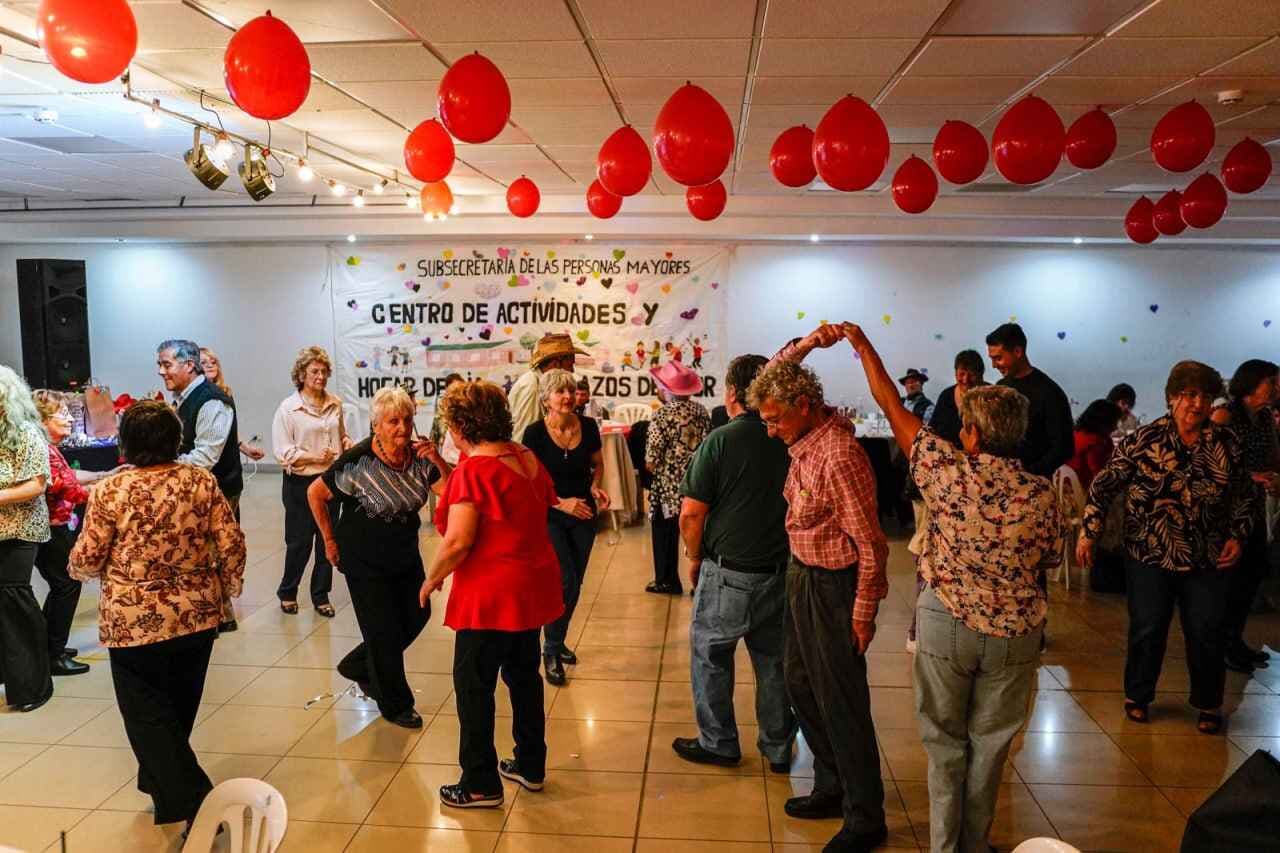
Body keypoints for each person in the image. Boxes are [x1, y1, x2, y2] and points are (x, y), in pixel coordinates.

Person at [845, 322, 1063, 853]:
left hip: (947, 623)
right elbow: (1049, 561)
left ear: (970, 433)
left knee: (945, 747)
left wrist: (862, 344)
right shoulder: (1042, 495)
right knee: (990, 750)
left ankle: (945, 847)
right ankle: (973, 843)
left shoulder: (945, 473)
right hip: (1016, 634)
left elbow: (889, 402)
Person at [68, 400, 245, 829]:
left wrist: (78, 570)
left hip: (134, 623)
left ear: (126, 444)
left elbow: (88, 557)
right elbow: (232, 544)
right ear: (175, 439)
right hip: (196, 616)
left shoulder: (113, 490)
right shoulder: (200, 481)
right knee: (177, 710)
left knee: (148, 717)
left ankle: (198, 804)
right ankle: (165, 792)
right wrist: (226, 590)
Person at [748, 324, 889, 853]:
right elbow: (770, 380)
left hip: (835, 586)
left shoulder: (838, 456)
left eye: (775, 420)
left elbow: (872, 544)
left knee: (841, 698)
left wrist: (864, 612)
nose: (769, 430)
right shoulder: (801, 432)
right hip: (802, 575)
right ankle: (830, 785)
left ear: (805, 405)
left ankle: (864, 814)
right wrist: (809, 342)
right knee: (800, 684)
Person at [1077, 361, 1254, 735]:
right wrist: (1088, 532)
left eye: (1205, 396)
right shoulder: (1145, 440)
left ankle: (1208, 702)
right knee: (1148, 626)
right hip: (1149, 551)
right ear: (1172, 398)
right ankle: (1138, 695)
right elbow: (1104, 485)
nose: (1197, 404)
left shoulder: (1226, 444)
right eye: (1189, 395)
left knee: (1207, 629)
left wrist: (1238, 534)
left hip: (1207, 554)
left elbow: (1245, 496)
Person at [420, 380, 564, 809]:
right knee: (523, 677)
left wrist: (431, 578)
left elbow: (459, 541)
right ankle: (530, 764)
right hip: (530, 587)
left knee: (474, 685)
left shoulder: (474, 471)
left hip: (490, 594)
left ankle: (480, 783)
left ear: (461, 425)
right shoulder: (526, 457)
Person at [671, 354, 796, 773]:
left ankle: (719, 742)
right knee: (773, 664)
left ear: (731, 393)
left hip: (728, 572)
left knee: (711, 656)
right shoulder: (790, 436)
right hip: (781, 569)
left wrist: (693, 557)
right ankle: (778, 747)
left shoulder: (722, 439)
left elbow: (691, 512)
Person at [308, 386, 447, 729]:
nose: (402, 428)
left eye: (408, 420)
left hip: (403, 552)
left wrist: (439, 460)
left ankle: (359, 665)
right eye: (393, 421)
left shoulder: (419, 458)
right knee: (382, 631)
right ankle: (396, 703)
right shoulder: (358, 461)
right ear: (377, 425)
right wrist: (328, 541)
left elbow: (456, 489)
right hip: (362, 556)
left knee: (418, 612)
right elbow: (316, 493)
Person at [520, 369, 609, 686]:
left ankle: (556, 640)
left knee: (576, 583)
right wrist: (561, 503)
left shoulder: (587, 426)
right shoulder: (534, 434)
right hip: (550, 515)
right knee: (565, 581)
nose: (569, 396)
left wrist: (596, 487)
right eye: (560, 392)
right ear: (546, 399)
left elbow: (598, 463)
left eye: (571, 390)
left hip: (584, 512)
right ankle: (551, 650)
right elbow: (529, 482)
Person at [156, 339, 244, 633]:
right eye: (160, 365)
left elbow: (205, 456)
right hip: (197, 491)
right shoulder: (184, 398)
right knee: (203, 554)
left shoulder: (211, 400)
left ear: (189, 365)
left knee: (212, 554)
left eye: (166, 364)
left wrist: (161, 469)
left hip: (218, 490)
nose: (161, 371)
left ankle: (217, 618)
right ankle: (219, 616)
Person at [271, 346, 352, 618]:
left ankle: (321, 595)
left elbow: (342, 436)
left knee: (327, 540)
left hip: (330, 481)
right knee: (299, 542)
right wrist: (314, 456)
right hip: (300, 485)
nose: (320, 376)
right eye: (314, 371)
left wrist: (347, 444)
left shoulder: (335, 403)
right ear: (302, 375)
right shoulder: (288, 408)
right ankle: (288, 591)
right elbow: (283, 452)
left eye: (324, 371)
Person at [1210, 359, 1280, 674]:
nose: (1276, 389)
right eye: (1272, 382)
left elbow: (1273, 458)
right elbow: (1214, 463)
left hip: (1254, 505)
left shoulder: (1264, 418)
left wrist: (1274, 477)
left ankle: (1235, 640)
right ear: (1252, 383)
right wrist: (1253, 477)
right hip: (1228, 509)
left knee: (1251, 574)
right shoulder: (1226, 414)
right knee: (1232, 579)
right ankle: (1222, 644)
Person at [31, 390, 96, 676]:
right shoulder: (43, 450)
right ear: (43, 419)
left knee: (63, 585)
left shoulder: (48, 448)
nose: (70, 419)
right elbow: (70, 490)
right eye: (63, 414)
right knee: (66, 585)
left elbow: (69, 479)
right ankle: (53, 654)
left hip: (53, 526)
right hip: (50, 528)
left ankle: (50, 646)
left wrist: (105, 475)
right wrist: (116, 489)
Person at [0, 365, 53, 712]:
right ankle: (15, 678)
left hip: (20, 530)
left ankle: (33, 685)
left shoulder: (27, 433)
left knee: (13, 600)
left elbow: (36, 484)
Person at [644, 361, 711, 595]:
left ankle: (667, 580)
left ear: (665, 389)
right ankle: (701, 583)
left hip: (667, 487)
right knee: (698, 533)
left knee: (664, 533)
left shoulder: (661, 415)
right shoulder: (701, 412)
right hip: (697, 483)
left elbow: (652, 457)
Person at [985, 323, 1073, 478]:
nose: (993, 366)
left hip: (1034, 484)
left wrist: (1028, 474)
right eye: (992, 359)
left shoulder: (1050, 393)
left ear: (1018, 351)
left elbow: (1063, 448)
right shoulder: (1000, 387)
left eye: (998, 358)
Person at [507, 333, 585, 441]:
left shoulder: (543, 383)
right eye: (570, 364)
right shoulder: (532, 387)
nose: (572, 371)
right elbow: (524, 439)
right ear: (556, 363)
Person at [199, 348, 267, 461]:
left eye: (213, 362)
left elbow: (229, 430)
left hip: (228, 463)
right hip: (204, 461)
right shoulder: (191, 397)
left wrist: (246, 449)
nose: (210, 365)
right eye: (203, 363)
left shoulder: (225, 393)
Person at [927, 350, 986, 446]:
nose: (966, 380)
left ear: (981, 375)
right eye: (961, 374)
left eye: (972, 375)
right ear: (955, 373)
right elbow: (932, 430)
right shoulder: (946, 396)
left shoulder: (991, 396)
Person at [1068, 399, 1123, 490]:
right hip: (1084, 492)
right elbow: (1099, 477)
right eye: (1114, 422)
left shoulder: (1077, 433)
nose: (1116, 427)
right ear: (1105, 422)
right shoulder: (1095, 443)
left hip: (1069, 489)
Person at [431, 373, 466, 465]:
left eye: (459, 390)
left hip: (465, 462)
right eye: (453, 390)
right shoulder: (440, 415)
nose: (456, 394)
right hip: (447, 463)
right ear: (447, 391)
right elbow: (434, 439)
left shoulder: (471, 414)